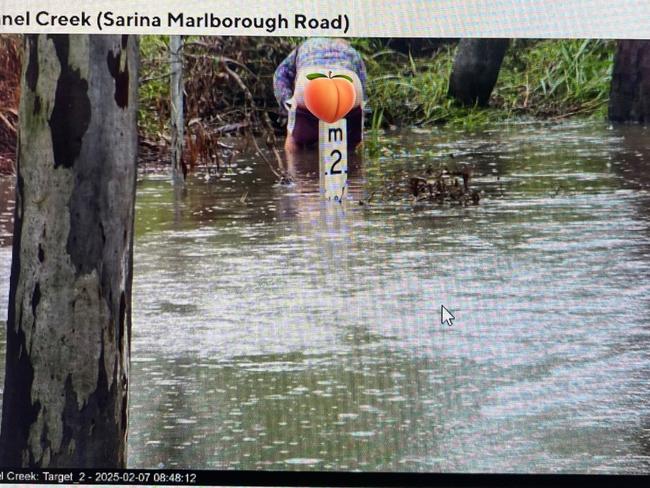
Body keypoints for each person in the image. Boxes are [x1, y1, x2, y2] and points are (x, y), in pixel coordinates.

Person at [273, 38, 368, 152]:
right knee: (355, 144)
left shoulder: (305, 46)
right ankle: (357, 166)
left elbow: (280, 75)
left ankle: (292, 168)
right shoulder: (351, 51)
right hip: (348, 84)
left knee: (294, 139)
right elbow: (363, 85)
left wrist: (288, 105)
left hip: (311, 81)